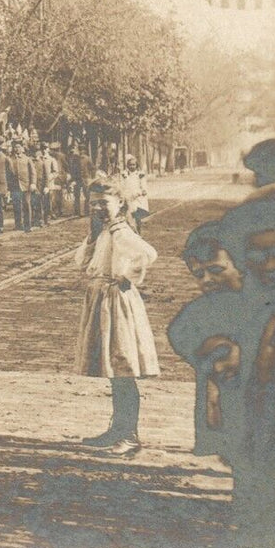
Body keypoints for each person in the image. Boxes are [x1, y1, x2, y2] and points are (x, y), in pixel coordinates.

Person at [74, 179, 160, 458]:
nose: (98, 208)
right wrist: (91, 236)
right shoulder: (103, 231)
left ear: (120, 203)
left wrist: (128, 277)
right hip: (102, 301)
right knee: (114, 369)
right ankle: (117, 429)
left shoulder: (121, 230)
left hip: (118, 304)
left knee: (123, 368)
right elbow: (83, 263)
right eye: (94, 203)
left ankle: (130, 435)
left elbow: (148, 253)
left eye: (104, 203)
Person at [4, 140, 32, 233]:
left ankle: (28, 225)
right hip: (15, 186)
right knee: (16, 206)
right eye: (15, 147)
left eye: (18, 147)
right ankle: (18, 224)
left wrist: (33, 183)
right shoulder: (10, 159)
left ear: (22, 148)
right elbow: (7, 174)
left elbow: (33, 173)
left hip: (26, 185)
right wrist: (8, 187)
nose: (17, 149)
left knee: (26, 205)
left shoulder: (27, 159)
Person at [118, 155, 151, 234]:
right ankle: (130, 234)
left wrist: (138, 193)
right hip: (127, 197)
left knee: (137, 217)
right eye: (130, 165)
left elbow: (144, 188)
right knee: (127, 217)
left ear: (136, 165)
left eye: (134, 165)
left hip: (137, 199)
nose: (132, 166)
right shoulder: (124, 175)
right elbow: (122, 186)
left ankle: (138, 232)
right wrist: (123, 196)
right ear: (127, 165)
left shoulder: (140, 175)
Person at [67, 141, 94, 216]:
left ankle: (82, 211)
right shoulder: (83, 159)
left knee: (82, 196)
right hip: (82, 179)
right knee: (82, 196)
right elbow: (92, 168)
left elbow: (92, 168)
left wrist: (90, 178)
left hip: (82, 179)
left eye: (82, 150)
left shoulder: (80, 159)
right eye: (81, 150)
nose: (81, 151)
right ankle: (82, 211)